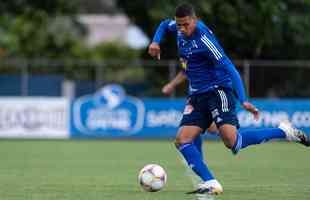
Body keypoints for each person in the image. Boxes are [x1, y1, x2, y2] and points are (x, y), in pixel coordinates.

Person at [148, 3, 310, 195]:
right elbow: (163, 25)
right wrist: (155, 42)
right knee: (182, 140)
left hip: (218, 92)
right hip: (197, 95)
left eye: (185, 25)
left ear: (195, 20)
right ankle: (211, 182)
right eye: (179, 25)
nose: (181, 29)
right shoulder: (179, 28)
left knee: (233, 142)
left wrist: (243, 99)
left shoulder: (204, 40)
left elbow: (230, 67)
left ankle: (284, 132)